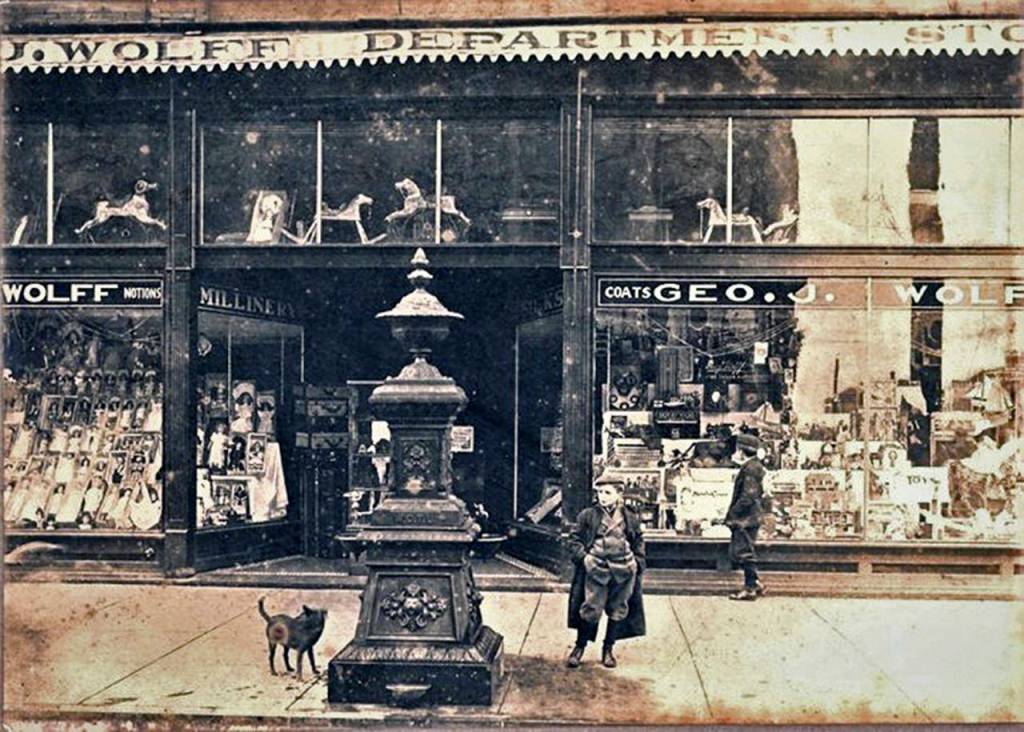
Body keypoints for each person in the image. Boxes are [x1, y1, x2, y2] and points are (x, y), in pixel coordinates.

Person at [565, 473, 646, 669]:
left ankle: (608, 649)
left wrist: (637, 562)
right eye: (600, 492)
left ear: (619, 494)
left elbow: (638, 540)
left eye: (608, 493)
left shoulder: (630, 516)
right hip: (596, 568)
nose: (602, 497)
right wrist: (584, 558)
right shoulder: (588, 515)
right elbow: (573, 539)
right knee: (591, 608)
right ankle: (579, 646)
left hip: (624, 569)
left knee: (618, 609)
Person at [723, 433, 768, 601]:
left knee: (743, 552)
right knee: (745, 551)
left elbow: (748, 496)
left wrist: (732, 514)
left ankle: (750, 588)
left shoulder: (749, 468)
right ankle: (755, 583)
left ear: (741, 450)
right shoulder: (754, 466)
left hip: (745, 519)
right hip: (750, 517)